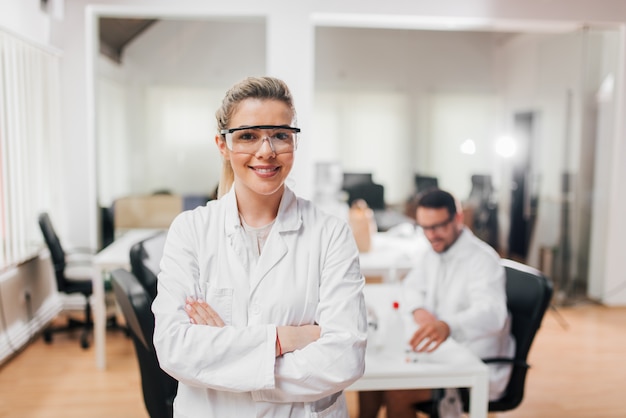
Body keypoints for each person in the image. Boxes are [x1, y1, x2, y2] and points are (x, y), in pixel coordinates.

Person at [152, 76, 367, 417]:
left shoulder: (330, 234)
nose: (266, 151)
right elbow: (174, 349)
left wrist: (227, 358)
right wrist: (285, 340)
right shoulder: (191, 231)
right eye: (248, 136)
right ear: (222, 145)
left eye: (280, 135)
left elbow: (344, 359)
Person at [358, 188, 515, 418]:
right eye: (425, 228)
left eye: (438, 226)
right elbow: (410, 287)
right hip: (440, 351)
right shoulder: (432, 252)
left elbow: (493, 314)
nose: (431, 235)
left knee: (397, 392)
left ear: (458, 219)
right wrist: (418, 309)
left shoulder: (483, 260)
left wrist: (447, 325)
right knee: (367, 377)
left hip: (473, 359)